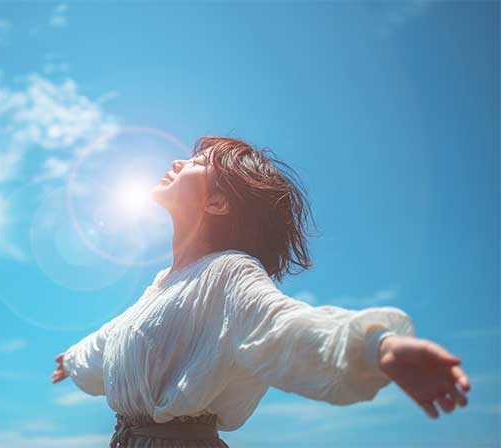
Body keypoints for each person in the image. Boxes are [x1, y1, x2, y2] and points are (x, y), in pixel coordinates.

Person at [51, 136, 470, 448]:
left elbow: (283, 327)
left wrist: (377, 348)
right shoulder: (159, 290)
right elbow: (109, 341)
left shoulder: (229, 272)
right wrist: (71, 360)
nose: (178, 161)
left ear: (217, 202)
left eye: (197, 162)